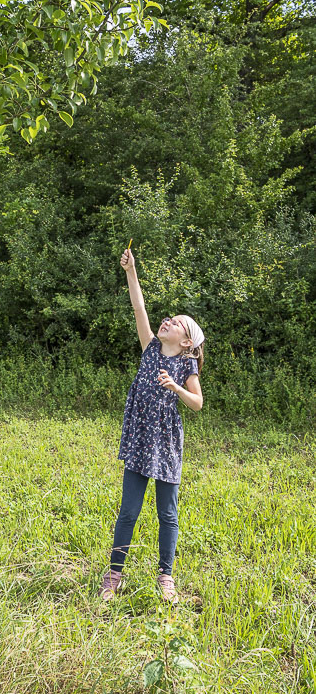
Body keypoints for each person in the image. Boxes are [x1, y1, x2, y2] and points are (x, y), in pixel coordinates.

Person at [98, 245, 205, 604]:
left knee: (167, 514)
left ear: (186, 341)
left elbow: (197, 403)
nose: (166, 321)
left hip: (166, 445)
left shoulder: (186, 367)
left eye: (175, 323)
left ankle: (166, 577)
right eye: (168, 318)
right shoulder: (149, 350)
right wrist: (131, 271)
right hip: (140, 440)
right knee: (128, 511)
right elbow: (139, 307)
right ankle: (114, 574)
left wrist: (175, 387)